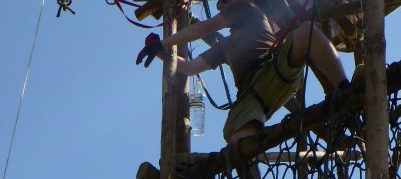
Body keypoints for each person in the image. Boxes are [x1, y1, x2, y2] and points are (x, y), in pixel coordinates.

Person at [136, 0, 348, 146]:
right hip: (251, 95)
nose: (222, 5)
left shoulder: (248, 9)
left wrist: (163, 43)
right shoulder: (225, 46)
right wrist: (160, 53)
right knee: (238, 142)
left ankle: (344, 86)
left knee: (305, 32)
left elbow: (207, 27)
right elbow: (190, 68)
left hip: (273, 69)